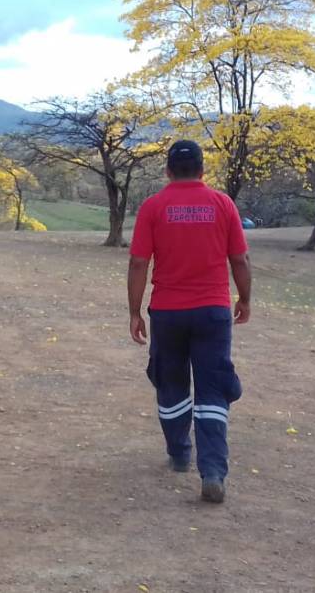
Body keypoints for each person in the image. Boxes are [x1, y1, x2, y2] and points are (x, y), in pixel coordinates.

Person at [127, 139, 252, 504]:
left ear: (168, 171)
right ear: (202, 170)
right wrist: (244, 298)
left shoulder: (153, 206)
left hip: (167, 312)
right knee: (213, 390)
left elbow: (138, 263)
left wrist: (135, 311)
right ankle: (212, 471)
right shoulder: (222, 204)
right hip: (213, 312)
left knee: (172, 383)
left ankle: (180, 452)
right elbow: (240, 260)